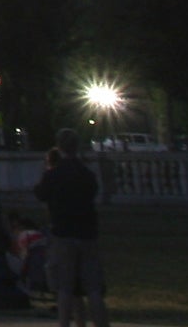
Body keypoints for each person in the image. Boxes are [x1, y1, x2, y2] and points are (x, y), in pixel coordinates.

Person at [34, 132, 109, 327]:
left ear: (59, 147)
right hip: (87, 232)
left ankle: (65, 323)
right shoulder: (86, 174)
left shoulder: (54, 174)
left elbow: (40, 194)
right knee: (93, 288)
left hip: (63, 232)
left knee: (65, 288)